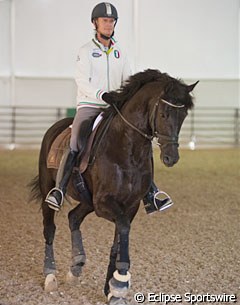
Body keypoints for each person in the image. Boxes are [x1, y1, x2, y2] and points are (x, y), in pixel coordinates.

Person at [45, 2, 173, 213]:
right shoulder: (85, 51)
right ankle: (59, 190)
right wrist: (101, 94)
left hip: (115, 107)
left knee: (141, 140)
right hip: (90, 105)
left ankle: (151, 194)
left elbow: (127, 80)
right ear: (95, 23)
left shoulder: (120, 53)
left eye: (111, 21)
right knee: (76, 139)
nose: (108, 24)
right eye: (105, 20)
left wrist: (127, 97)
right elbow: (81, 80)